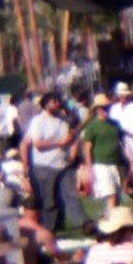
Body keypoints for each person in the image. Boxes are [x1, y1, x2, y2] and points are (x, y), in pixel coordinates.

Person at [23, 93, 81, 231]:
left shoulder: (63, 121)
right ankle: (49, 228)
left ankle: (68, 225)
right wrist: (59, 142)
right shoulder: (38, 121)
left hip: (62, 164)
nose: (56, 103)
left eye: (57, 100)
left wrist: (71, 154)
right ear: (45, 104)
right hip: (44, 166)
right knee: (48, 200)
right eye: (53, 101)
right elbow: (37, 144)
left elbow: (72, 140)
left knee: (67, 196)